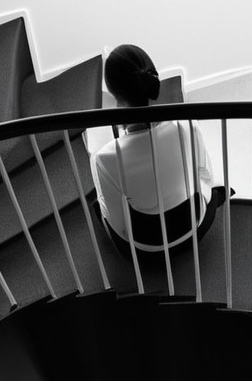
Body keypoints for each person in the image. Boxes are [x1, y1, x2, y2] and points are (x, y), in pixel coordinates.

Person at [90, 44, 226, 258]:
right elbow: (207, 178)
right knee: (211, 188)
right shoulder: (187, 127)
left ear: (114, 93)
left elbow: (119, 225)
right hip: (195, 229)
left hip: (146, 253)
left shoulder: (106, 157)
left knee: (99, 206)